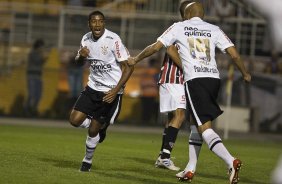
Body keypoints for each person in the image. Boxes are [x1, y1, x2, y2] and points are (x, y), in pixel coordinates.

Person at [127, 2, 251, 184]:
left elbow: (156, 47)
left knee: (205, 128)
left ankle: (230, 161)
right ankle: (190, 169)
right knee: (195, 123)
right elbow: (234, 54)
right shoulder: (213, 29)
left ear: (187, 13)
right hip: (213, 80)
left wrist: (136, 59)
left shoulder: (179, 27)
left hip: (196, 80)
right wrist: (245, 73)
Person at [68, 10, 133, 172]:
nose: (97, 24)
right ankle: (99, 129)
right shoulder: (85, 38)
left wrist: (115, 90)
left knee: (92, 132)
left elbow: (128, 67)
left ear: (104, 23)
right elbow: (78, 63)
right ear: (89, 24)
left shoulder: (113, 39)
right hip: (92, 88)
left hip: (109, 93)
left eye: (100, 21)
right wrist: (81, 57)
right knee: (74, 120)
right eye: (94, 21)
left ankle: (87, 162)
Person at [154, 0, 198, 172]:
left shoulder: (187, 30)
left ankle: (162, 155)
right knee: (180, 115)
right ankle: (165, 156)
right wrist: (187, 69)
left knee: (172, 118)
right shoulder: (181, 29)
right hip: (174, 78)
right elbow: (170, 50)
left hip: (171, 78)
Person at [25, 39, 47, 117]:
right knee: (32, 94)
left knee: (38, 95)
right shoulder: (33, 53)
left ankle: (33, 109)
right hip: (31, 76)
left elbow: (42, 61)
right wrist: (43, 55)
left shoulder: (39, 53)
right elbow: (38, 60)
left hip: (38, 76)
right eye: (42, 46)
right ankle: (27, 110)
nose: (43, 48)